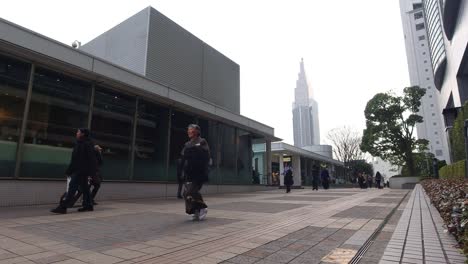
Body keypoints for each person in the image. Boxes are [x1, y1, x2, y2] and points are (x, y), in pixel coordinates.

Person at [51, 128, 97, 214]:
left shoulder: (83, 144)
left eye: (78, 132)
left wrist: (69, 171)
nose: (76, 133)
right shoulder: (86, 143)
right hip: (83, 170)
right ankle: (88, 205)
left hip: (80, 170)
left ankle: (63, 207)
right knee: (85, 188)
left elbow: (77, 160)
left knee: (72, 187)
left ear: (82, 134)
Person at [180, 124, 211, 221]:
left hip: (199, 173)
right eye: (188, 130)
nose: (189, 132)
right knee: (186, 193)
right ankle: (194, 210)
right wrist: (182, 171)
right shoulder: (187, 144)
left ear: (197, 132)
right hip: (189, 173)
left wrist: (196, 149)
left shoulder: (202, 141)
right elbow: (183, 156)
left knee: (191, 191)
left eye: (192, 130)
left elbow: (205, 155)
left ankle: (202, 208)